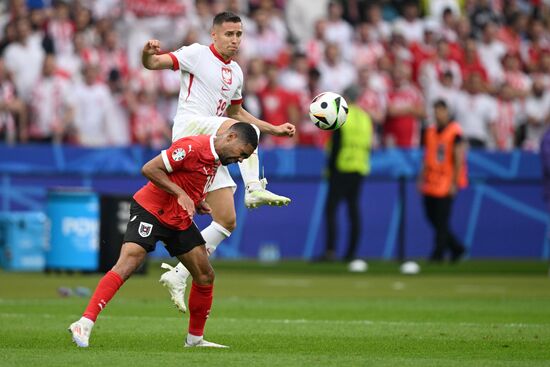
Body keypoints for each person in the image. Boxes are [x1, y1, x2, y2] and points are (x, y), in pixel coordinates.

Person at [140, 12, 295, 313]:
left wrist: (272, 128)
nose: (235, 40)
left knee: (226, 220)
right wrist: (147, 54)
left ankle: (179, 273)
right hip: (191, 130)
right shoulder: (196, 54)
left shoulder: (236, 72)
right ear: (214, 35)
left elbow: (237, 114)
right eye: (229, 34)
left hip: (217, 142)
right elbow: (154, 64)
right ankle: (253, 187)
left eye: (239, 34)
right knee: (240, 134)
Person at [68, 122, 259, 349]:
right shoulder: (192, 147)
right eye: (242, 154)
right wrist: (180, 194)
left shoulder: (217, 160)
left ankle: (195, 340)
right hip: (152, 209)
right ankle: (84, 323)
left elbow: (188, 180)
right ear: (231, 137)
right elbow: (149, 169)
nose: (240, 160)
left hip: (178, 219)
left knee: (205, 275)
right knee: (129, 261)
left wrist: (197, 202)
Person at [319, 85, 373, 262]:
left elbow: (336, 145)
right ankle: (351, 253)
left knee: (331, 210)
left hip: (341, 167)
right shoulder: (366, 118)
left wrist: (329, 169)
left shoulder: (343, 116)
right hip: (360, 168)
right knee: (353, 210)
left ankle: (330, 251)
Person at [419, 100, 467, 262]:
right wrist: (422, 177)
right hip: (431, 181)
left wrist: (454, 183)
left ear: (447, 112)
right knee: (432, 217)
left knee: (441, 219)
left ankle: (438, 253)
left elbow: (458, 158)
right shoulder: (430, 131)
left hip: (446, 181)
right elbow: (427, 156)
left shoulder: (455, 132)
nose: (438, 114)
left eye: (441, 111)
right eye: (436, 111)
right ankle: (456, 247)